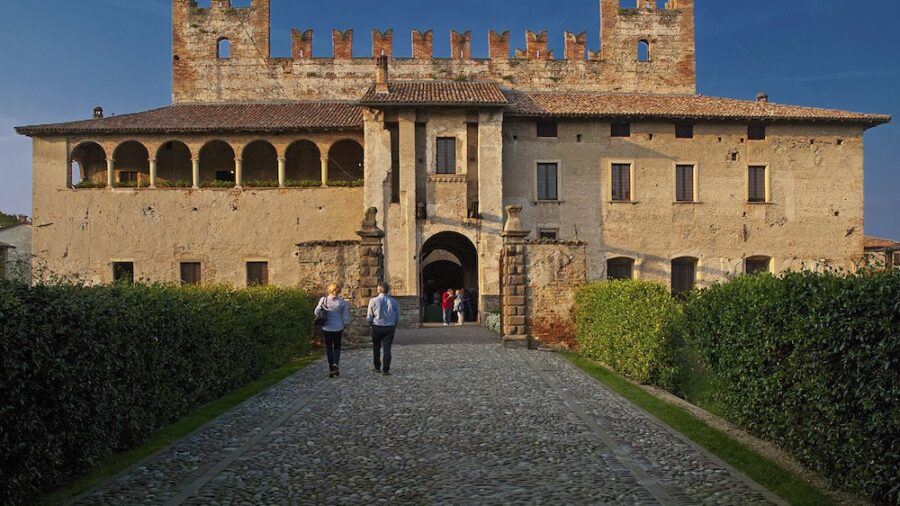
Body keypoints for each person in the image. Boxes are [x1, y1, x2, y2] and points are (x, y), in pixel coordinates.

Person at [314, 283, 351, 378]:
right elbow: (346, 317)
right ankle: (335, 364)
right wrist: (345, 324)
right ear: (338, 291)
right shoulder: (342, 302)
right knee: (337, 347)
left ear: (329, 290)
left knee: (329, 348)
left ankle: (331, 369)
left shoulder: (324, 300)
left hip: (327, 327)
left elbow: (316, 311)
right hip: (338, 327)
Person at [367, 281, 399, 376]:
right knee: (387, 348)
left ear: (379, 289)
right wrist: (394, 324)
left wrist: (370, 323)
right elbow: (397, 316)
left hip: (377, 326)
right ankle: (386, 369)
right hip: (389, 326)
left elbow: (369, 316)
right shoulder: (393, 301)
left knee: (376, 347)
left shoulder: (373, 301)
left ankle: (377, 367)